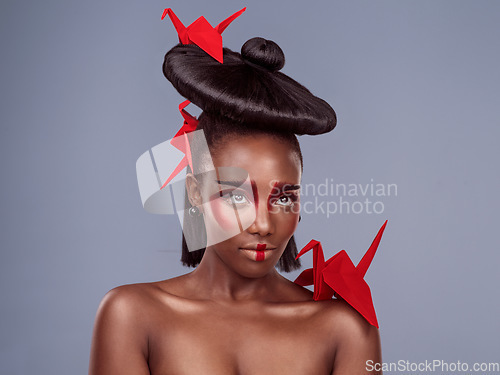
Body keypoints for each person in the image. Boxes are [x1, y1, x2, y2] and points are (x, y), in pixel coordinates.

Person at [89, 8, 382, 375]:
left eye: (284, 197)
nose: (263, 225)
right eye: (236, 195)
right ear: (195, 194)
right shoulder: (131, 315)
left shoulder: (347, 329)